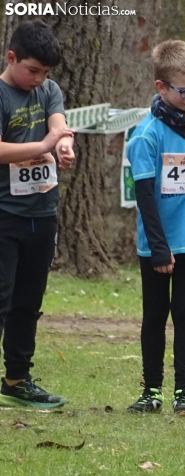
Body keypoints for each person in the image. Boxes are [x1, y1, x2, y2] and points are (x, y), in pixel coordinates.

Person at [126, 40, 185, 414]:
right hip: (157, 245)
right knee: (155, 315)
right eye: (184, 90)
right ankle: (152, 391)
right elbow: (146, 198)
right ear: (161, 87)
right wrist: (159, 248)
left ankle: (184, 392)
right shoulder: (146, 135)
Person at [0, 20, 74, 408]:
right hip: (4, 215)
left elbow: (57, 123)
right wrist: (41, 145)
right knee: (1, 298)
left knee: (29, 301)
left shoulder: (47, 89)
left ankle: (16, 379)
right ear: (11, 58)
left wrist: (62, 144)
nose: (39, 79)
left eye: (45, 73)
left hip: (41, 214)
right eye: (33, 70)